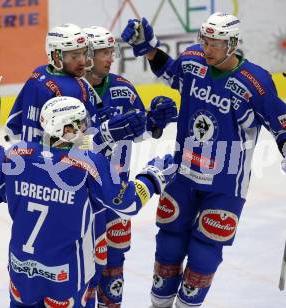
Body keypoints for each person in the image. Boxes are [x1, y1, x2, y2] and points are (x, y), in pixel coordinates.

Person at [121, 12, 286, 307]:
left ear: (232, 44)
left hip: (225, 183)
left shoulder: (255, 82)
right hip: (183, 172)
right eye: (205, 40)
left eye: (215, 43)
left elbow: (282, 124)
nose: (207, 48)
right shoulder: (192, 61)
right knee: (169, 243)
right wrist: (149, 49)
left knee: (204, 251)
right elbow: (172, 72)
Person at [0, 96, 176, 308]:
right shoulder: (90, 165)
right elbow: (127, 203)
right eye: (81, 123)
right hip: (65, 274)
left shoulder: (16, 154)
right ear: (65, 128)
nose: (86, 127)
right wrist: (152, 176)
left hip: (22, 269)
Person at [82, 25, 178, 307]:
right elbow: (62, 147)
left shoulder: (122, 88)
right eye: (103, 52)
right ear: (86, 55)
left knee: (114, 269)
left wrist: (155, 122)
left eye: (112, 51)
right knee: (86, 270)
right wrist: (103, 134)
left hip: (118, 193)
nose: (111, 57)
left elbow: (139, 129)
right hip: (82, 197)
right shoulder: (71, 93)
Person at [4, 23, 145, 152]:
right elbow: (81, 144)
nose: (83, 61)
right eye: (75, 56)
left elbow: (12, 129)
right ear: (55, 55)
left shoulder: (37, 75)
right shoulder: (77, 88)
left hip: (28, 163)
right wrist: (106, 131)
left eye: (84, 53)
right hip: (60, 170)